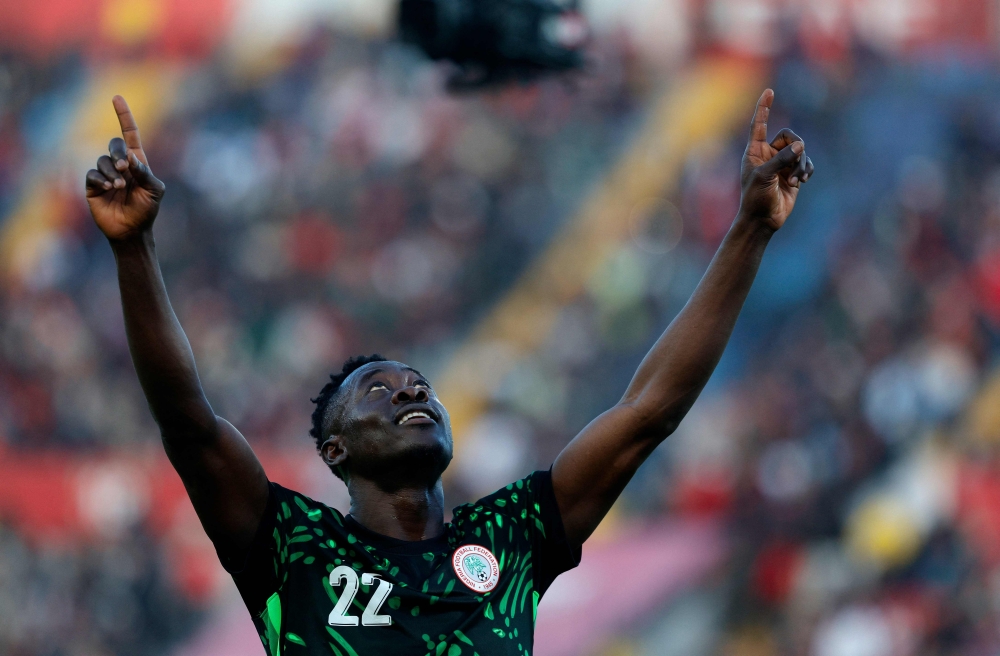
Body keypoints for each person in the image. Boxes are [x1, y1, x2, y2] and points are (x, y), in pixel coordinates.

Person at [84, 89, 813, 655]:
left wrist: (749, 229)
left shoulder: (510, 538)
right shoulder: (292, 546)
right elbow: (189, 423)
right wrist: (133, 252)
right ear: (334, 451)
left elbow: (648, 411)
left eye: (420, 385)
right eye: (379, 389)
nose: (411, 390)